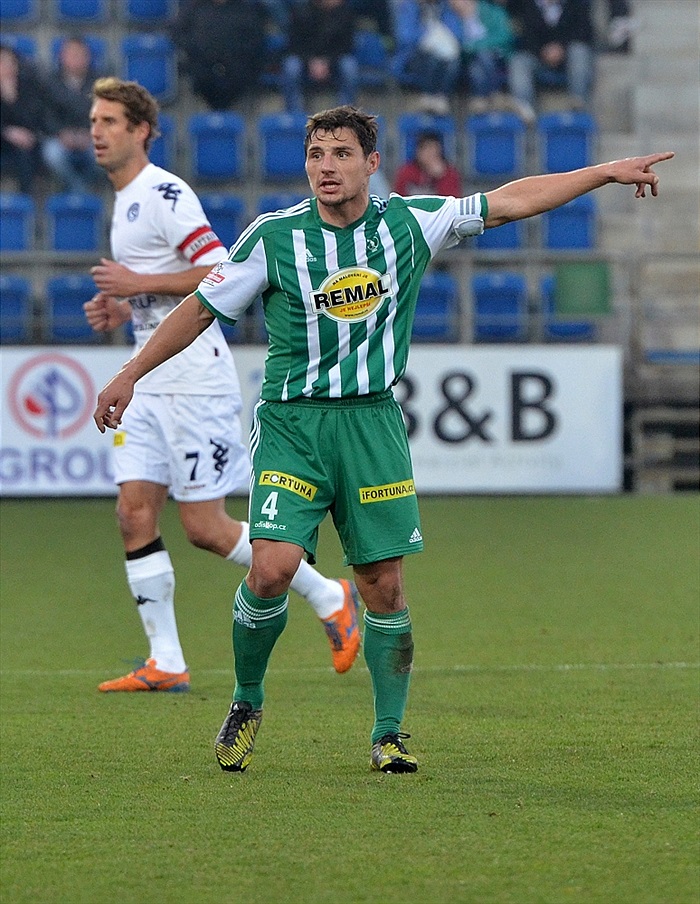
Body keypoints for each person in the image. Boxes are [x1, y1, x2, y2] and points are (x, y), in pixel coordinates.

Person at [93, 104, 673, 773]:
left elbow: (510, 201)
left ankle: (389, 734)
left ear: (371, 163)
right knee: (271, 567)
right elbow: (199, 310)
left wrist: (604, 171)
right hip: (293, 424)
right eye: (316, 154)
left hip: (371, 425)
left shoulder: (409, 223)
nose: (326, 167)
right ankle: (247, 700)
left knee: (384, 588)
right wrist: (130, 373)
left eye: (341, 153)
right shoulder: (274, 238)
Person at [85, 78, 361, 694]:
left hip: (194, 379)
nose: (96, 132)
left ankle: (329, 595)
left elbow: (219, 268)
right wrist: (126, 305)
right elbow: (160, 283)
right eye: (94, 121)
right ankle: (166, 661)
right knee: (133, 514)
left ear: (141, 131)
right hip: (149, 377)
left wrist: (136, 285)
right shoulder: (125, 199)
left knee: (205, 527)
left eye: (109, 121)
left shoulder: (163, 193)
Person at [505, 0, 596, 122]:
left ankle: (579, 105)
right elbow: (524, 37)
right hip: (538, 57)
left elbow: (585, 32)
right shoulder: (526, 5)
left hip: (568, 56)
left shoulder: (575, 4)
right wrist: (543, 52)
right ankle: (525, 111)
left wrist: (561, 48)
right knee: (518, 61)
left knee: (579, 51)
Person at [171, 0, 269, 110]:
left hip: (238, 75)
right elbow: (177, 33)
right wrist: (196, 48)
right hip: (202, 73)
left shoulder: (245, 10)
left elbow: (255, 39)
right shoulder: (194, 8)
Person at [42, 36, 104, 194]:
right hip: (60, 137)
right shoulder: (50, 82)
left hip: (92, 137)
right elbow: (45, 115)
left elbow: (107, 114)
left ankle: (80, 190)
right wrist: (61, 133)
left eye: (80, 54)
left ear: (88, 57)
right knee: (52, 154)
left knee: (107, 152)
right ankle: (79, 190)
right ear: (62, 57)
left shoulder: (101, 83)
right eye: (71, 54)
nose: (76, 58)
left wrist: (89, 134)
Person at [281, 0, 359, 113]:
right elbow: (294, 45)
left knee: (349, 66)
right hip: (305, 59)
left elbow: (347, 46)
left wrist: (327, 62)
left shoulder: (345, 14)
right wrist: (310, 62)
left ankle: (345, 112)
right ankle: (293, 112)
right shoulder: (300, 12)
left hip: (334, 60)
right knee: (291, 66)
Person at [443, 0, 515, 113]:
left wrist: (475, 46)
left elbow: (505, 36)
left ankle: (482, 98)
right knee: (475, 65)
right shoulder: (450, 17)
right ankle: (491, 96)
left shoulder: (492, 11)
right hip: (464, 60)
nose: (454, 3)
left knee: (482, 58)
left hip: (496, 58)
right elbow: (454, 43)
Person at [392, 0, 462, 115]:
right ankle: (428, 95)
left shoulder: (445, 7)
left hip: (442, 54)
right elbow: (405, 37)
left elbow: (457, 33)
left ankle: (441, 96)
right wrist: (427, 36)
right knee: (432, 58)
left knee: (453, 61)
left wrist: (443, 36)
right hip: (413, 55)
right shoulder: (408, 7)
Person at [0, 45, 47, 195]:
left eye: (11, 63)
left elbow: (33, 121)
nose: (7, 67)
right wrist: (6, 132)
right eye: (2, 63)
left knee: (26, 150)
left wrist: (12, 100)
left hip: (23, 141)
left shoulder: (27, 86)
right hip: (3, 138)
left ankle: (26, 200)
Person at [392, 128, 463, 196]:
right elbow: (397, 198)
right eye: (425, 148)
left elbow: (451, 200)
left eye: (433, 148)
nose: (429, 153)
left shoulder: (449, 173)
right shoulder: (406, 172)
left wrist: (441, 178)